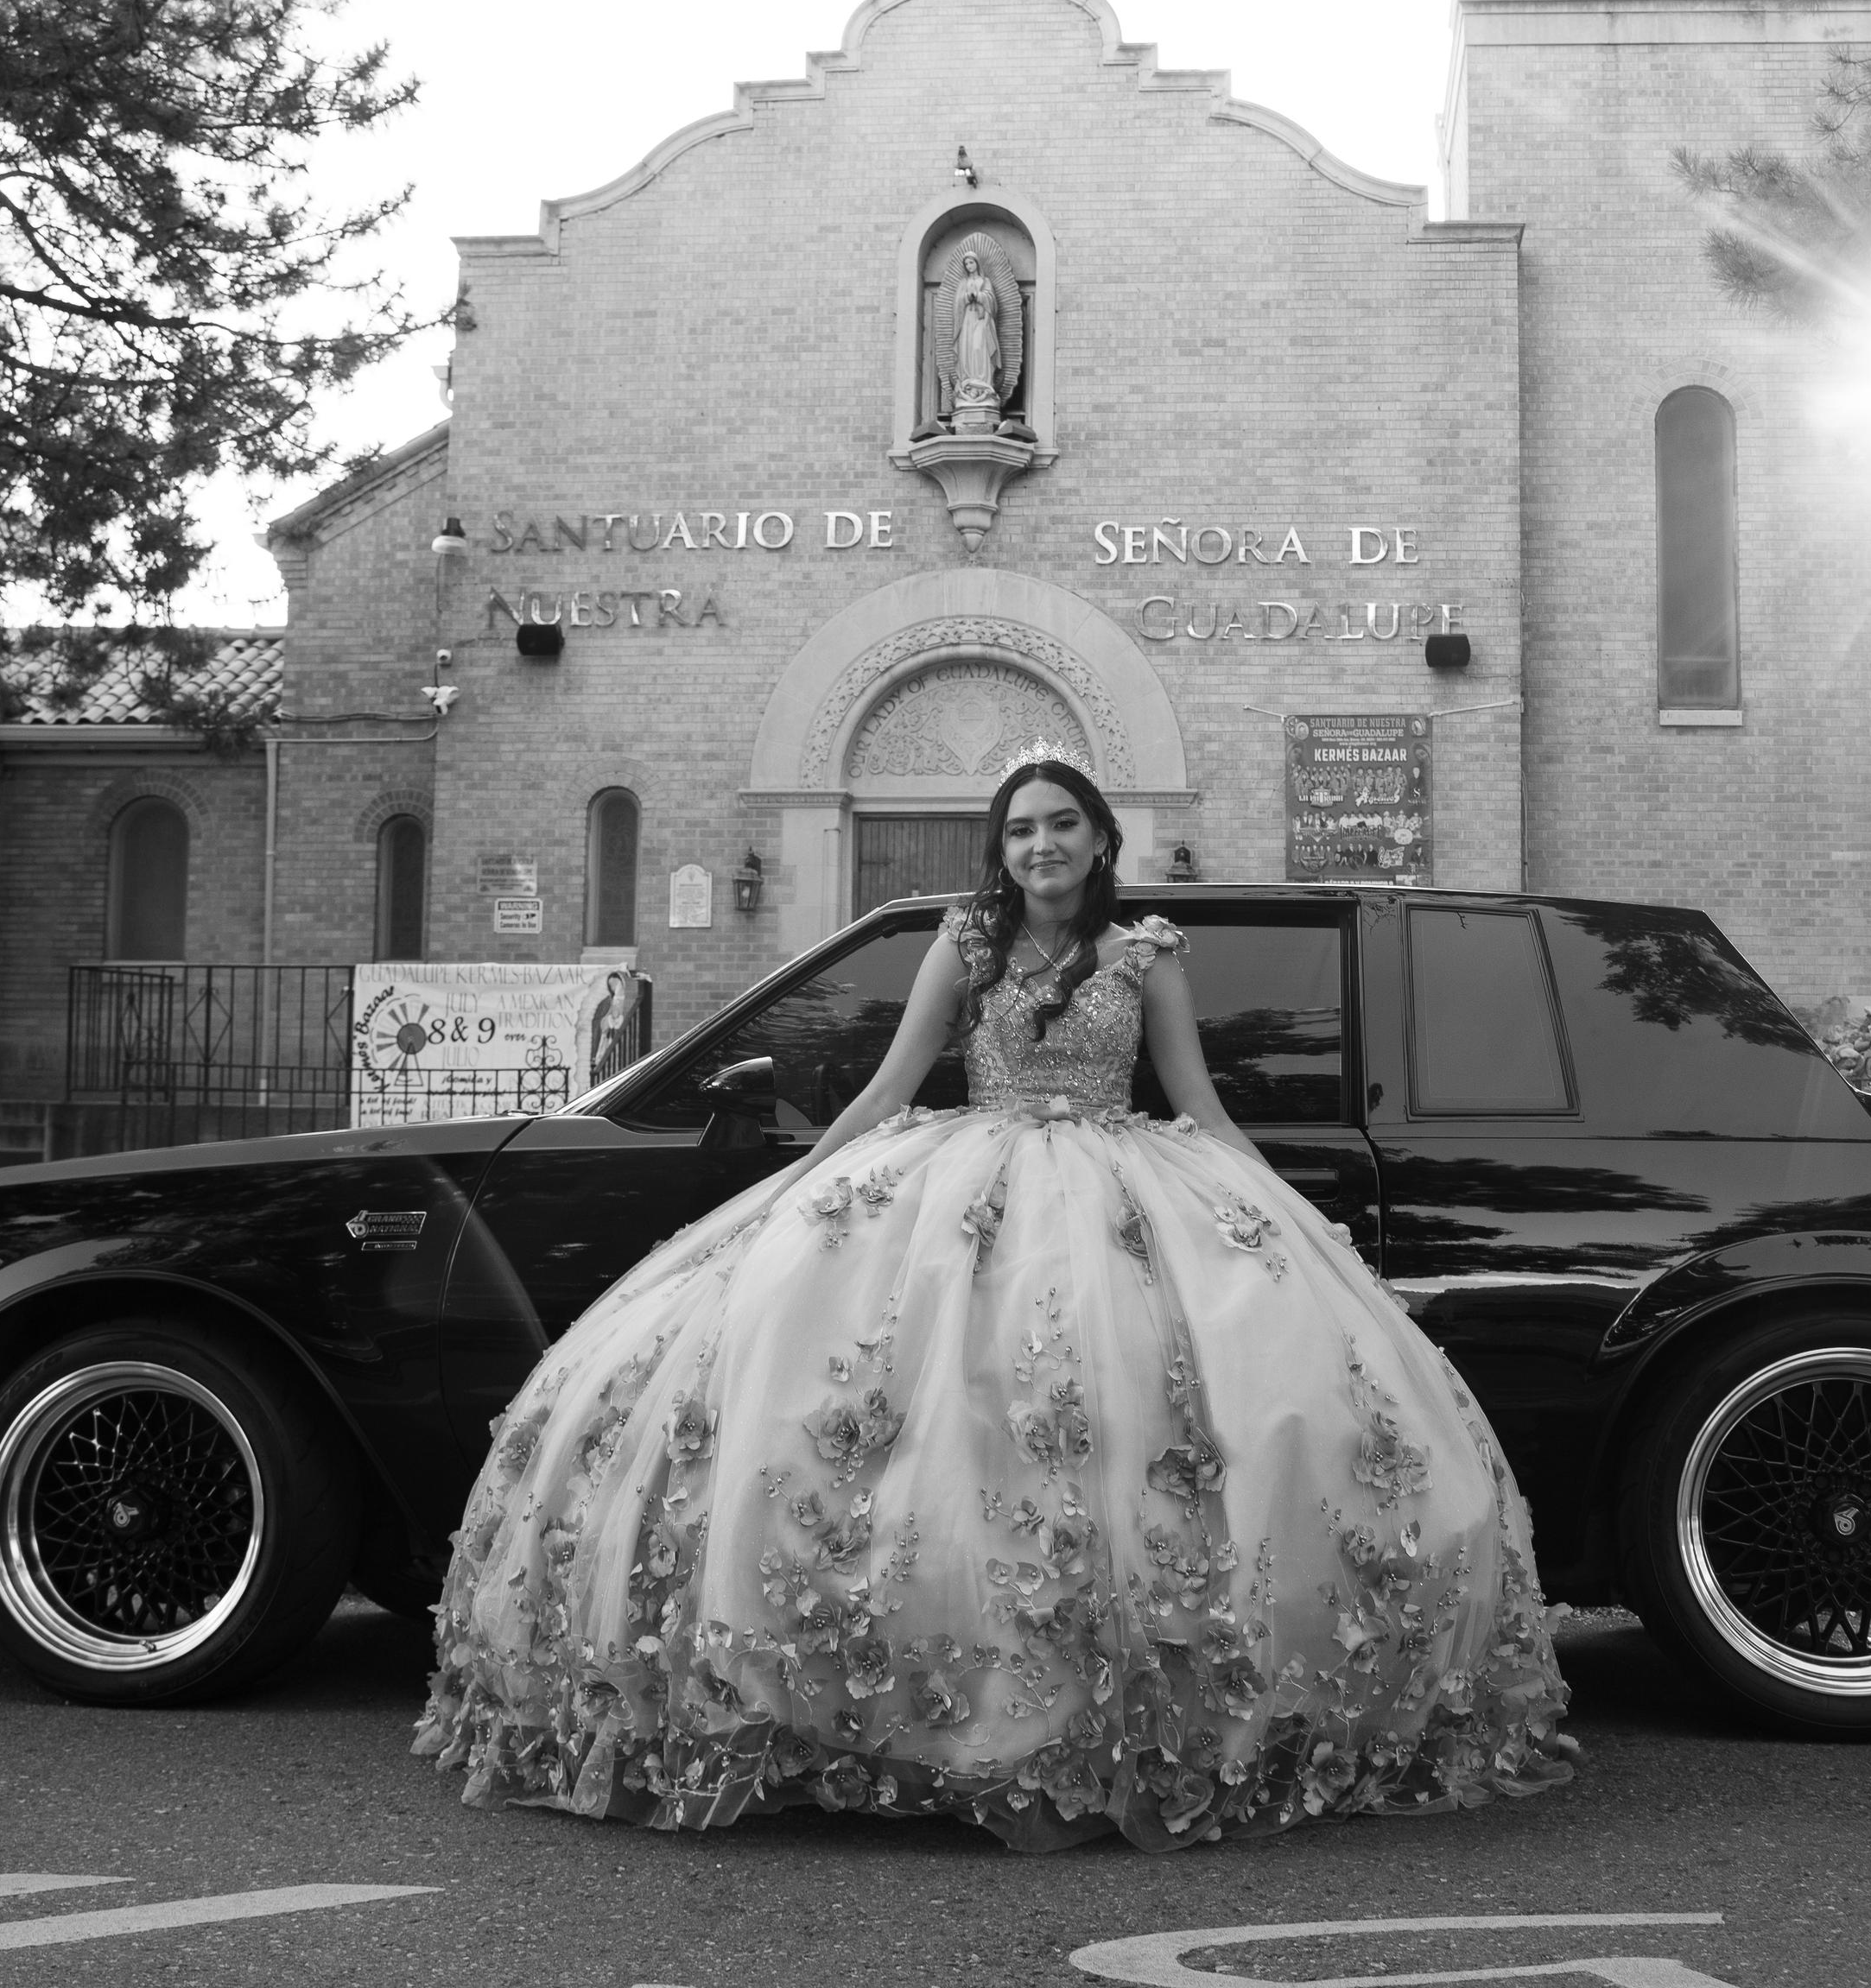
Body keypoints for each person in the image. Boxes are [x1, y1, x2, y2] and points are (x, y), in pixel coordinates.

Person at [415, 759, 1574, 1852]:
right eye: (1020, 830)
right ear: (1002, 851)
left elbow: (1200, 1105)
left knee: (1131, 1431)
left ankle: (1134, 1702)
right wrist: (803, 1187)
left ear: (1102, 838)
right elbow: (889, 1084)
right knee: (934, 1431)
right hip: (964, 1202)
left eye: (1060, 823)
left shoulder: (1148, 954)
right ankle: (909, 1703)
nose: (1040, 845)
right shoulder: (967, 942)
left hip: (1122, 1194)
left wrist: (1276, 1221)